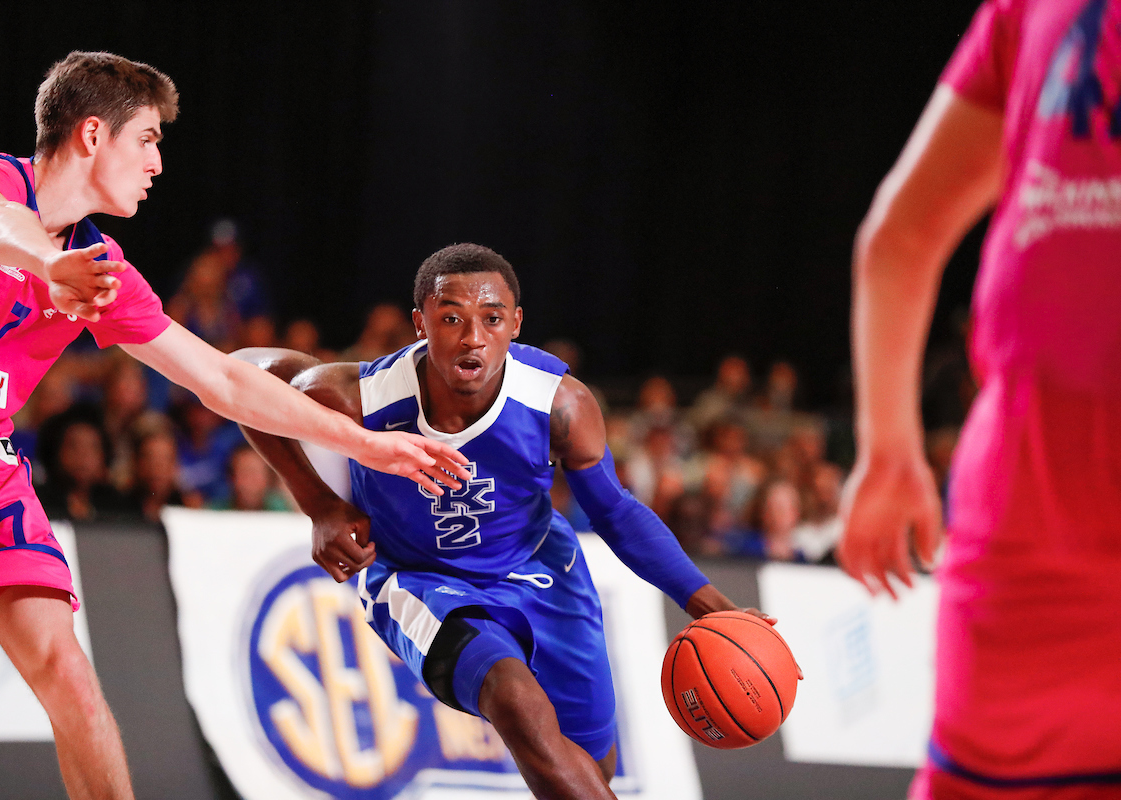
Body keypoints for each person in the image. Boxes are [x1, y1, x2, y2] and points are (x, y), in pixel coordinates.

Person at [0, 51, 468, 798]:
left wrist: (369, 444)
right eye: (146, 139)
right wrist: (47, 267)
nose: (156, 162)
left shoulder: (103, 269)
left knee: (70, 674)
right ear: (90, 135)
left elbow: (221, 379)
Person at [234, 243, 791, 800]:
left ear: (516, 324)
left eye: (492, 318)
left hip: (542, 568)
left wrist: (713, 608)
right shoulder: (365, 394)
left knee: (588, 773)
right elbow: (246, 376)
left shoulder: (559, 402)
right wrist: (319, 505)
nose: (473, 336)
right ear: (419, 323)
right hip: (421, 579)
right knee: (513, 695)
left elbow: (617, 511)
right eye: (451, 317)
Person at [838, 2, 1121, 797]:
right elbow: (898, 239)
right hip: (1034, 525)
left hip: (1029, 523)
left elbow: (899, 236)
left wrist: (891, 450)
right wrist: (891, 451)